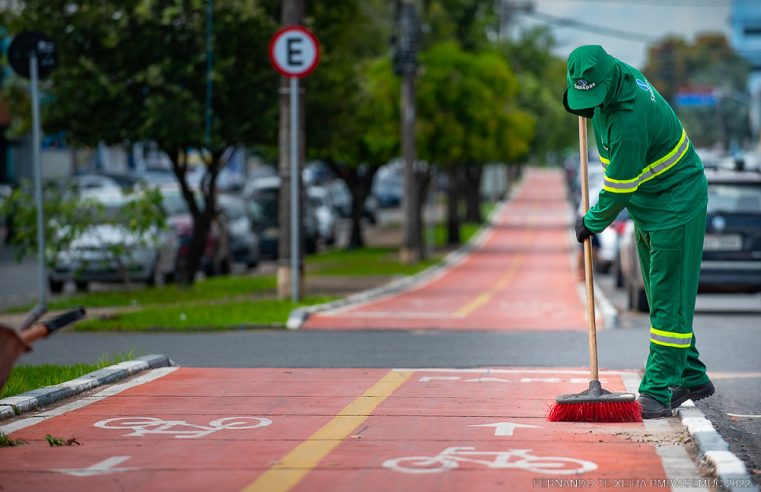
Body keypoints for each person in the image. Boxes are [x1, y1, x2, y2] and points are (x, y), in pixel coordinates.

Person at [562, 45, 714, 419]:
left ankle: (659, 389)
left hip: (675, 204)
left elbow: (618, 187)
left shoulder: (630, 117)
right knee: (666, 297)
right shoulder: (612, 77)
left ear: (609, 79)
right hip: (650, 207)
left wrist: (591, 222)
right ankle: (692, 375)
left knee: (666, 302)